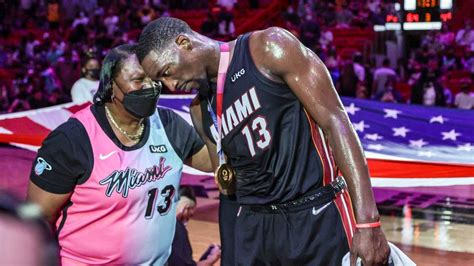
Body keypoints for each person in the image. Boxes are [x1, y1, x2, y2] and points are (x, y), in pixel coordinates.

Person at [137, 17, 390, 265]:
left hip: (316, 213)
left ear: (184, 42)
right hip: (256, 226)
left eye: (167, 72)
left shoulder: (267, 48)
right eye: (162, 81)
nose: (171, 84)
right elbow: (228, 190)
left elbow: (336, 122)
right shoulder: (200, 110)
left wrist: (367, 221)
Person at [27, 44, 213, 265]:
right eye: (138, 79)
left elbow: (214, 163)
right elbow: (37, 218)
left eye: (154, 79)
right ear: (111, 85)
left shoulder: (169, 125)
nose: (150, 87)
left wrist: (205, 118)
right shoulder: (72, 139)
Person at [168, 185, 221, 266]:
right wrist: (211, 259)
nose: (187, 221)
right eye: (189, 215)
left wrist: (205, 258)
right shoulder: (177, 229)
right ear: (185, 208)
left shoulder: (161, 224)